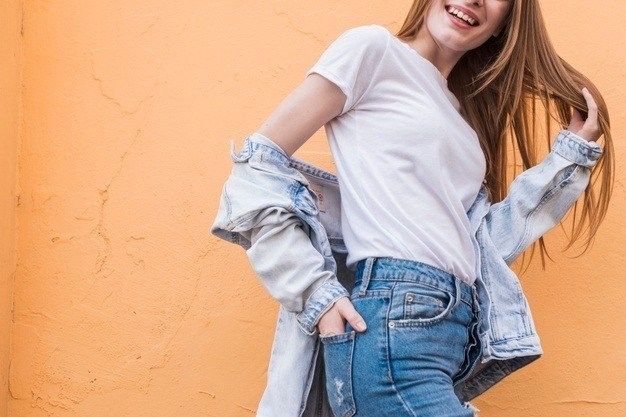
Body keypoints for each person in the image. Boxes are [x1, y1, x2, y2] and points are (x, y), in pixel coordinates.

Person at [240, 0, 613, 415]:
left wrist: (568, 159)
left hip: (450, 333)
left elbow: (480, 246)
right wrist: (316, 294)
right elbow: (257, 166)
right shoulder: (373, 51)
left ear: (505, 22)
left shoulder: (461, 117)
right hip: (391, 325)